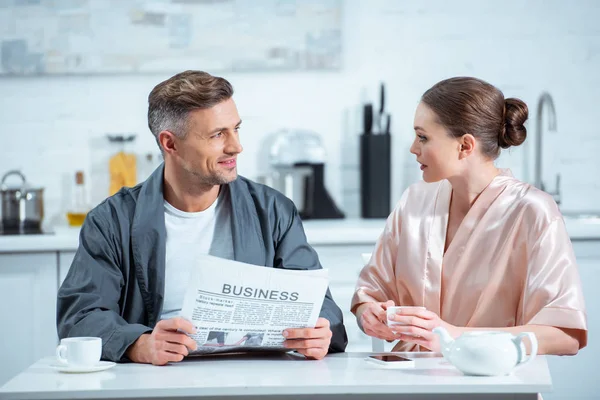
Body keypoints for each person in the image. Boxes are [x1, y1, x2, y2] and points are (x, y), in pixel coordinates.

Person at [57, 70, 347, 365]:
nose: (236, 146)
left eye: (236, 128)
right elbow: (80, 316)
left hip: (255, 377)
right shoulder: (110, 221)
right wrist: (139, 344)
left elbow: (323, 306)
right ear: (170, 144)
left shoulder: (273, 210)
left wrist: (321, 329)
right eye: (218, 134)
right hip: (156, 379)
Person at [351, 77, 587, 355]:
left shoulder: (533, 211)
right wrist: (369, 313)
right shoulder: (413, 202)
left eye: (423, 137)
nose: (414, 148)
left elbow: (565, 336)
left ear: (465, 146)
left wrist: (454, 337)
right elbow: (370, 293)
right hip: (409, 381)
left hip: (494, 384)